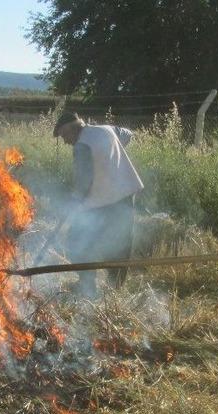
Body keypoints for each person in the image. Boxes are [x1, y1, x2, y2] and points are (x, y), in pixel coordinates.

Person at [53, 112, 144, 297]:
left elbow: (83, 183)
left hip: (102, 203)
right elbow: (128, 135)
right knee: (121, 244)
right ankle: (115, 291)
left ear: (73, 128)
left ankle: (88, 288)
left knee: (76, 240)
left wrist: (73, 201)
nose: (64, 141)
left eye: (64, 135)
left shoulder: (82, 146)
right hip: (125, 196)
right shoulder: (106, 130)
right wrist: (111, 157)